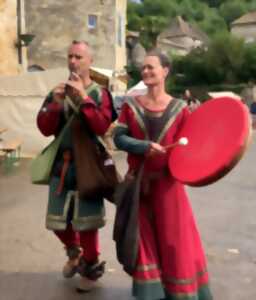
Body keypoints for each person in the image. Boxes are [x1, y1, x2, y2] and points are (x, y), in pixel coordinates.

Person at [113, 50, 213, 300]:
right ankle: (151, 294)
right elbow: (118, 138)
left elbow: (192, 148)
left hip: (170, 188)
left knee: (175, 244)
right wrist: (143, 147)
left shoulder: (181, 109)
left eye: (151, 67)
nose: (146, 71)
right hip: (139, 187)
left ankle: (180, 294)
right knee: (143, 245)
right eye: (143, 68)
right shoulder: (131, 105)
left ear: (165, 71)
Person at [37, 40, 116, 292]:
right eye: (70, 56)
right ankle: (75, 252)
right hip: (62, 165)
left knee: (88, 223)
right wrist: (56, 103)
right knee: (56, 222)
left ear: (90, 61)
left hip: (89, 166)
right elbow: (44, 128)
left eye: (79, 57)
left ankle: (90, 270)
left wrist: (83, 97)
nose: (73, 61)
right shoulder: (56, 91)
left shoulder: (100, 93)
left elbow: (103, 127)